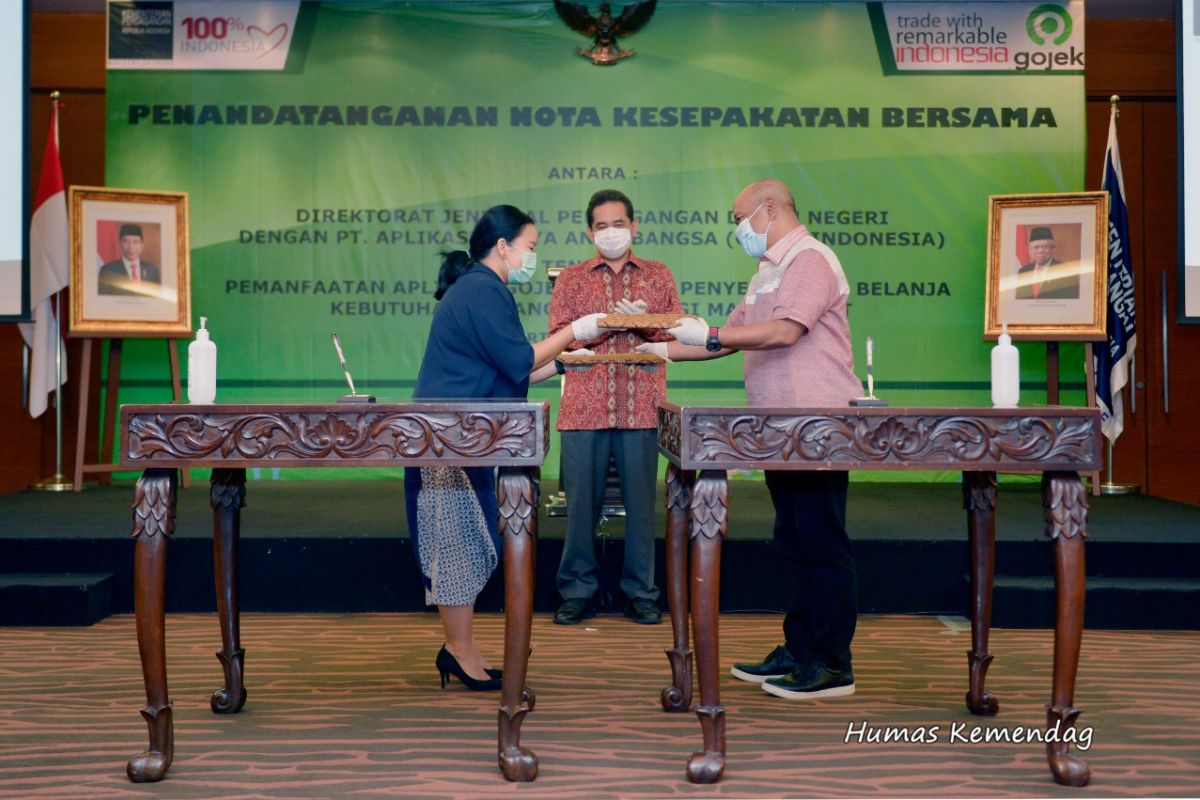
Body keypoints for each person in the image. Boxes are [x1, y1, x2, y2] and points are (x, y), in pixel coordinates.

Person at [641, 178, 862, 700]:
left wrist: (711, 335)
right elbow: (724, 338)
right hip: (777, 428)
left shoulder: (810, 259)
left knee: (821, 540)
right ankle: (800, 648)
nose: (738, 228)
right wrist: (656, 348)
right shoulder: (767, 272)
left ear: (769, 209)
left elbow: (785, 332)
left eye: (739, 217)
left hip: (816, 425)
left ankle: (832, 664)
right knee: (791, 541)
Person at [406, 204, 606, 690]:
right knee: (455, 548)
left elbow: (509, 369)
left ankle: (461, 651)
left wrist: (562, 363)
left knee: (466, 546)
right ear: (503, 246)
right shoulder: (482, 289)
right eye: (530, 248)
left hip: (461, 438)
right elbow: (518, 358)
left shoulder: (481, 287)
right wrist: (573, 332)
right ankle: (458, 651)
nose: (532, 257)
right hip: (448, 441)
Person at [548, 189, 683, 626]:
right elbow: (559, 339)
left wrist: (645, 321)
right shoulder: (571, 279)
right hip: (584, 408)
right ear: (590, 231)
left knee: (642, 507)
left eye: (619, 224)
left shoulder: (658, 276)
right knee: (580, 506)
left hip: (641, 407)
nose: (611, 233)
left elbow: (676, 335)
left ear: (634, 226)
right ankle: (577, 589)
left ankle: (641, 591)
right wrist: (606, 325)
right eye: (602, 226)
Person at [1016, 226, 1078, 299]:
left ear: (1052, 248)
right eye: (1036, 247)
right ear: (1030, 250)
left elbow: (1072, 304)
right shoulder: (1023, 271)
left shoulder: (1067, 271)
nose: (1040, 251)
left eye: (1045, 247)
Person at [98, 223, 161, 295]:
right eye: (126, 241)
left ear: (142, 246)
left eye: (135, 242)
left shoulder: (152, 271)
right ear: (120, 244)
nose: (131, 247)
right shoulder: (107, 271)